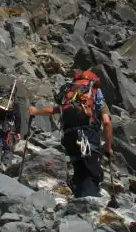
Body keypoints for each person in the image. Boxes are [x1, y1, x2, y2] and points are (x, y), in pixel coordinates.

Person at [29, 70, 114, 198]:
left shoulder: (70, 97)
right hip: (88, 135)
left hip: (69, 135)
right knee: (91, 171)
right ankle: (88, 205)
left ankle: (78, 201)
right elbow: (107, 122)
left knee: (79, 169)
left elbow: (54, 109)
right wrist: (108, 148)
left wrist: (36, 111)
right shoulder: (96, 96)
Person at [0, 80, 22, 169]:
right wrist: (18, 132)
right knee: (8, 148)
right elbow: (18, 117)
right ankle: (6, 166)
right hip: (9, 126)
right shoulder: (13, 103)